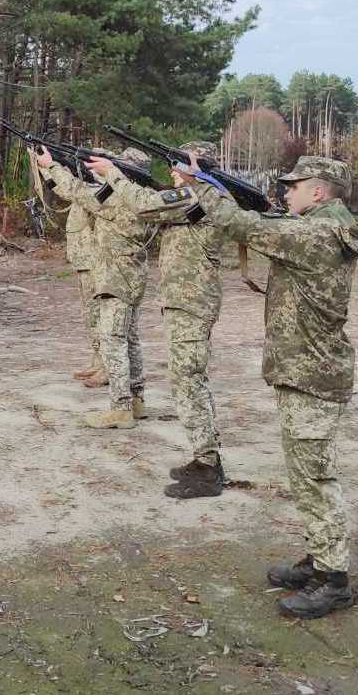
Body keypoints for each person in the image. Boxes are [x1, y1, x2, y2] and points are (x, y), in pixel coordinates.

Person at [194, 154, 358, 620]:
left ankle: (334, 580)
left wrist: (200, 182)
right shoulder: (320, 226)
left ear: (319, 191)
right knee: (304, 474)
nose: (285, 192)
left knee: (314, 477)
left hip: (312, 375)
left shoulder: (314, 233)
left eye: (294, 186)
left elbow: (242, 225)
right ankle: (319, 559)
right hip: (303, 370)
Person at [83, 142, 229, 499]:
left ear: (198, 168)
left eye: (179, 166)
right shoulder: (196, 197)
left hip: (192, 304)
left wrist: (112, 173)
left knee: (189, 381)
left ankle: (208, 466)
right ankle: (204, 457)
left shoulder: (195, 196)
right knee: (187, 380)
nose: (173, 173)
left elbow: (144, 204)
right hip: (185, 303)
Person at [33, 146, 155, 428]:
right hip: (133, 275)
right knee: (131, 339)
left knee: (113, 340)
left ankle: (120, 408)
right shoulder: (144, 198)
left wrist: (50, 166)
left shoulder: (116, 199)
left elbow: (75, 191)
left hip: (115, 277)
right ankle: (136, 400)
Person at [45, 163, 106, 387]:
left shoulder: (100, 190)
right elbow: (62, 189)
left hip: (94, 262)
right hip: (84, 261)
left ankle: (106, 367)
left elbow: (71, 189)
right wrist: (44, 168)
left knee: (99, 317)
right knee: (91, 316)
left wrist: (50, 164)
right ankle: (98, 361)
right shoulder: (88, 188)